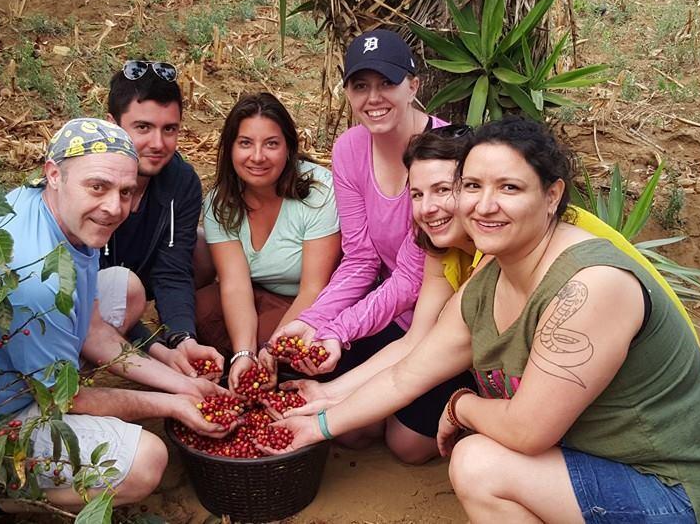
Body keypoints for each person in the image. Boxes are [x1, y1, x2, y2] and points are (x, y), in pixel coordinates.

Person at [270, 116, 700, 523]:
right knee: (481, 456)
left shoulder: (591, 286)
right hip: (594, 465)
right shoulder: (486, 282)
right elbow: (408, 371)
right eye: (473, 186)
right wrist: (320, 423)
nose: (483, 205)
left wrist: (459, 406)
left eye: (509, 188)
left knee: (479, 461)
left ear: (552, 194)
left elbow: (526, 430)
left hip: (673, 492)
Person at [0, 119, 235, 512]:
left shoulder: (55, 211)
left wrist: (183, 386)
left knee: (126, 288)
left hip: (11, 363)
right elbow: (68, 399)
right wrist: (172, 404)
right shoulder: (37, 277)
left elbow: (93, 328)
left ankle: (50, 367)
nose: (114, 207)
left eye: (126, 191)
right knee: (145, 462)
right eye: (98, 187)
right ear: (54, 174)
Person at [268, 29, 477, 464]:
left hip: (440, 312)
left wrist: (340, 330)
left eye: (387, 83)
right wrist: (315, 322)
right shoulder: (349, 148)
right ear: (346, 91)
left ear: (414, 86)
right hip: (394, 312)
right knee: (351, 428)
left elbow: (410, 277)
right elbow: (361, 258)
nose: (373, 97)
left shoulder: (444, 154)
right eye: (360, 85)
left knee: (407, 446)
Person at [194, 93, 341, 392]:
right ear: (230, 148)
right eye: (245, 143)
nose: (257, 156)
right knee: (202, 306)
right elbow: (234, 284)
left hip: (313, 301)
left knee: (272, 342)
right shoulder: (219, 202)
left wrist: (271, 348)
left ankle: (283, 367)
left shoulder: (318, 192)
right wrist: (244, 353)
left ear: (288, 148)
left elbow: (314, 287)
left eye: (271, 144)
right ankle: (246, 363)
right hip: (260, 294)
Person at [100, 60, 221, 378]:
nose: (158, 144)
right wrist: (152, 346)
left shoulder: (181, 181)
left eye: (169, 129)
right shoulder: (88, 184)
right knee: (119, 292)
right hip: (92, 287)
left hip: (141, 275)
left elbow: (173, 269)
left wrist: (182, 337)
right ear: (112, 125)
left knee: (203, 248)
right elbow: (83, 294)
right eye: (143, 128)